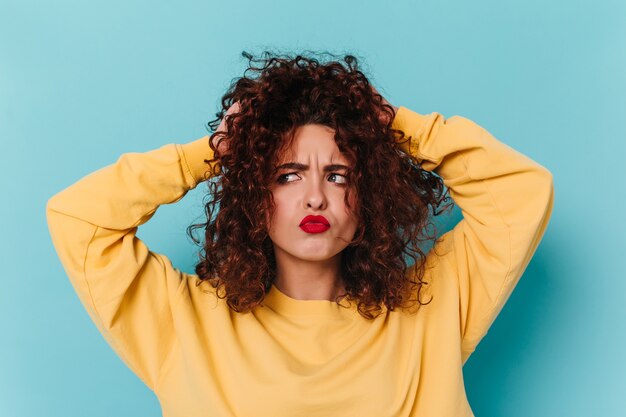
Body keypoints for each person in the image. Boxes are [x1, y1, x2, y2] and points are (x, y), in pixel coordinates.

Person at [46, 51, 554, 417]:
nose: (316, 197)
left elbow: (524, 193)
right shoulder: (185, 322)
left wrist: (393, 126)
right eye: (287, 175)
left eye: (339, 176)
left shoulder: (432, 305)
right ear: (252, 194)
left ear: (369, 195)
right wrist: (216, 151)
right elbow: (78, 219)